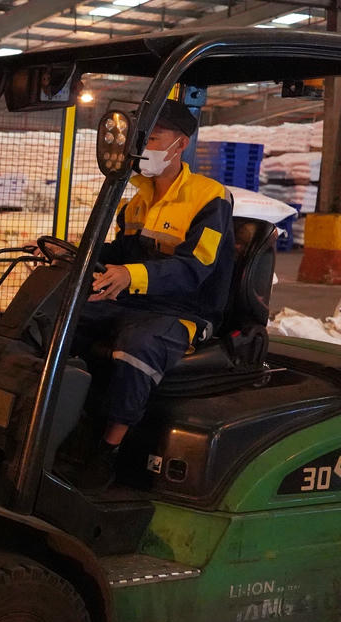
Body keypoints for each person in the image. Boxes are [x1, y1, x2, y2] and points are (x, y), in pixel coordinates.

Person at [68, 99, 235, 491]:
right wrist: (75, 255)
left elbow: (194, 268)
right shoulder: (137, 201)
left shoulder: (210, 198)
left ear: (181, 144)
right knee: (61, 318)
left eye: (154, 138)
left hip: (186, 309)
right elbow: (120, 253)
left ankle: (108, 452)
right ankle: (63, 421)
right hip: (137, 301)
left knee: (137, 346)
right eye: (141, 138)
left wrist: (131, 275)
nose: (143, 147)